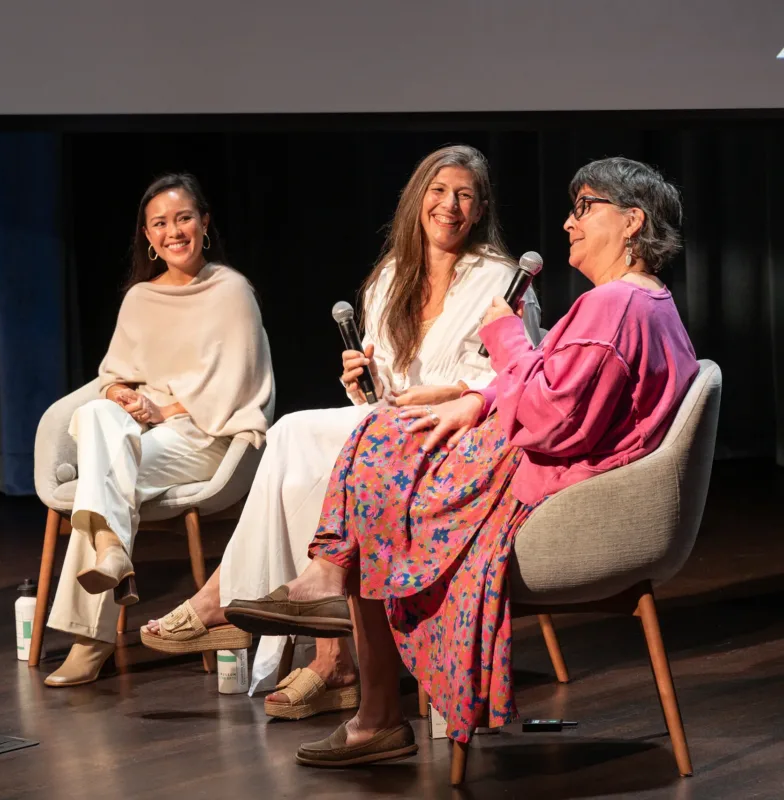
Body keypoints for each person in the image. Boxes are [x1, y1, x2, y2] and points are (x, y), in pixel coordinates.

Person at [224, 157, 699, 767]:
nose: (567, 223)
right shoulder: (635, 303)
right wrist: (475, 401)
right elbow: (555, 387)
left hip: (550, 487)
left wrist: (503, 338)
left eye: (584, 207)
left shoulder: (616, 306)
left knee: (383, 489)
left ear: (632, 222)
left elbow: (550, 417)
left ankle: (370, 694)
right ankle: (332, 593)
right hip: (551, 467)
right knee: (385, 438)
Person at [141, 145, 542, 717]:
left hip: (454, 434)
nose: (449, 205)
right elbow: (382, 392)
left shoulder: (502, 281)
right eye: (438, 191)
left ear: (479, 211)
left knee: (299, 439)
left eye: (464, 196)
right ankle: (332, 659)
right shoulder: (388, 279)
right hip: (388, 427)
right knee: (300, 449)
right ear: (416, 199)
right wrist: (362, 382)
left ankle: (230, 605)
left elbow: (515, 375)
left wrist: (449, 396)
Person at [43, 173, 274, 687]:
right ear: (147, 236)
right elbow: (111, 375)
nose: (174, 231)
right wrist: (121, 396)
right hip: (145, 438)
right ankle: (112, 551)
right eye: (160, 224)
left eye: (184, 218)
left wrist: (164, 410)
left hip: (207, 438)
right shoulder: (140, 298)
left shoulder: (232, 291)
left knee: (98, 484)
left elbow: (241, 386)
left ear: (205, 223)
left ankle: (91, 639)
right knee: (99, 416)